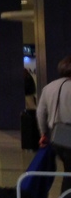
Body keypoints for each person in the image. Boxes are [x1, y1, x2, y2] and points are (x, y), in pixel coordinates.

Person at [36, 56, 71, 189]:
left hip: (57, 137)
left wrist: (43, 133)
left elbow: (40, 113)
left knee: (68, 170)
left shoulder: (49, 88)